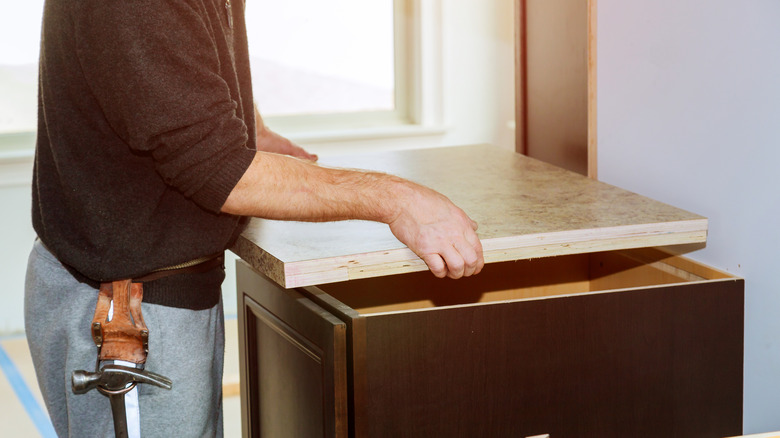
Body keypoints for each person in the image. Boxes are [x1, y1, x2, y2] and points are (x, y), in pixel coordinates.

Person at [25, 0, 484, 436]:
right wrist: (399, 199)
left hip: (149, 291)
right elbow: (218, 172)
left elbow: (190, 57)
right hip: (125, 312)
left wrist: (253, 128)